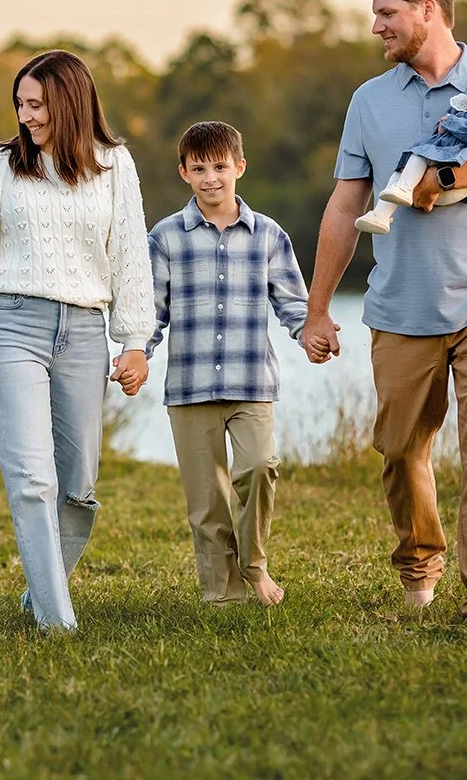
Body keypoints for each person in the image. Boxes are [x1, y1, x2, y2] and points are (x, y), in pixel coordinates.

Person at [301, 0, 467, 630]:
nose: (376, 25)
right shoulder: (370, 101)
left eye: (387, 13)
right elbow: (346, 203)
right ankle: (420, 559)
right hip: (401, 303)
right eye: (375, 13)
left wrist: (439, 177)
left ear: (429, 10)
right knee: (402, 448)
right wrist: (317, 308)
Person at [0, 49, 154, 631]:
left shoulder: (115, 165)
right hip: (13, 327)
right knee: (33, 480)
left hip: (85, 332)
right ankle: (59, 623)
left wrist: (134, 340)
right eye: (20, 103)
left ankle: (40, 595)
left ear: (69, 103)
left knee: (79, 485)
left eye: (36, 104)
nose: (25, 115)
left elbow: (130, 256)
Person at [146, 122, 309, 606]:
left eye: (220, 166)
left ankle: (254, 565)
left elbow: (293, 304)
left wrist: (311, 333)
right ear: (184, 173)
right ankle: (223, 594)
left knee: (260, 466)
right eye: (199, 168)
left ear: (239, 166)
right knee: (207, 502)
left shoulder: (268, 236)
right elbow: (151, 310)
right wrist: (138, 352)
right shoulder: (166, 237)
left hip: (251, 382)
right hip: (190, 387)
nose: (210, 177)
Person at [355, 54, 467, 235]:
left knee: (420, 155)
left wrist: (450, 123)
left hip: (456, 168)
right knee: (402, 168)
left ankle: (404, 187)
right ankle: (381, 214)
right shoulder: (464, 110)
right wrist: (446, 123)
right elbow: (442, 128)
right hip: (446, 157)